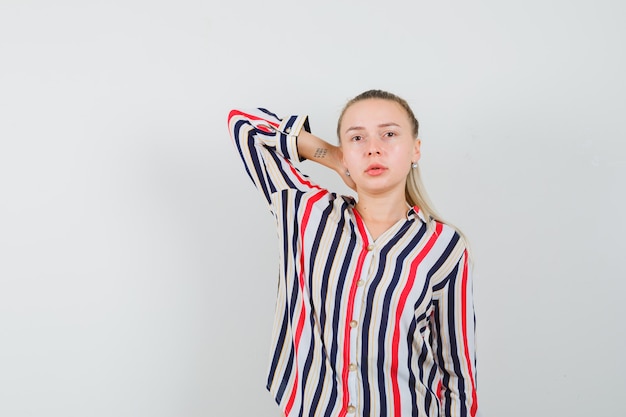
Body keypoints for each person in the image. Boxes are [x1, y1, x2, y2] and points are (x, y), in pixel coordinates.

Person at [227, 90, 479, 417]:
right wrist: (332, 156)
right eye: (357, 138)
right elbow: (243, 124)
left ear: (416, 149)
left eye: (389, 134)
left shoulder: (444, 246)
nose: (373, 147)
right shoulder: (308, 213)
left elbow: (457, 376)